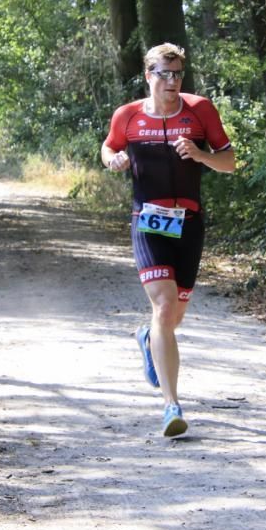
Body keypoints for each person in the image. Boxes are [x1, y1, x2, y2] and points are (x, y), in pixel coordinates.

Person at [101, 43, 236, 437]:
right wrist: (114, 160)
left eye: (178, 74)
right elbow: (109, 145)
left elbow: (229, 161)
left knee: (173, 318)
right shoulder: (128, 116)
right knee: (163, 307)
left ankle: (147, 339)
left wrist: (199, 153)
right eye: (164, 73)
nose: (173, 81)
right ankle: (171, 406)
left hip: (189, 223)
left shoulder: (201, 111)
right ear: (149, 75)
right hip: (148, 221)